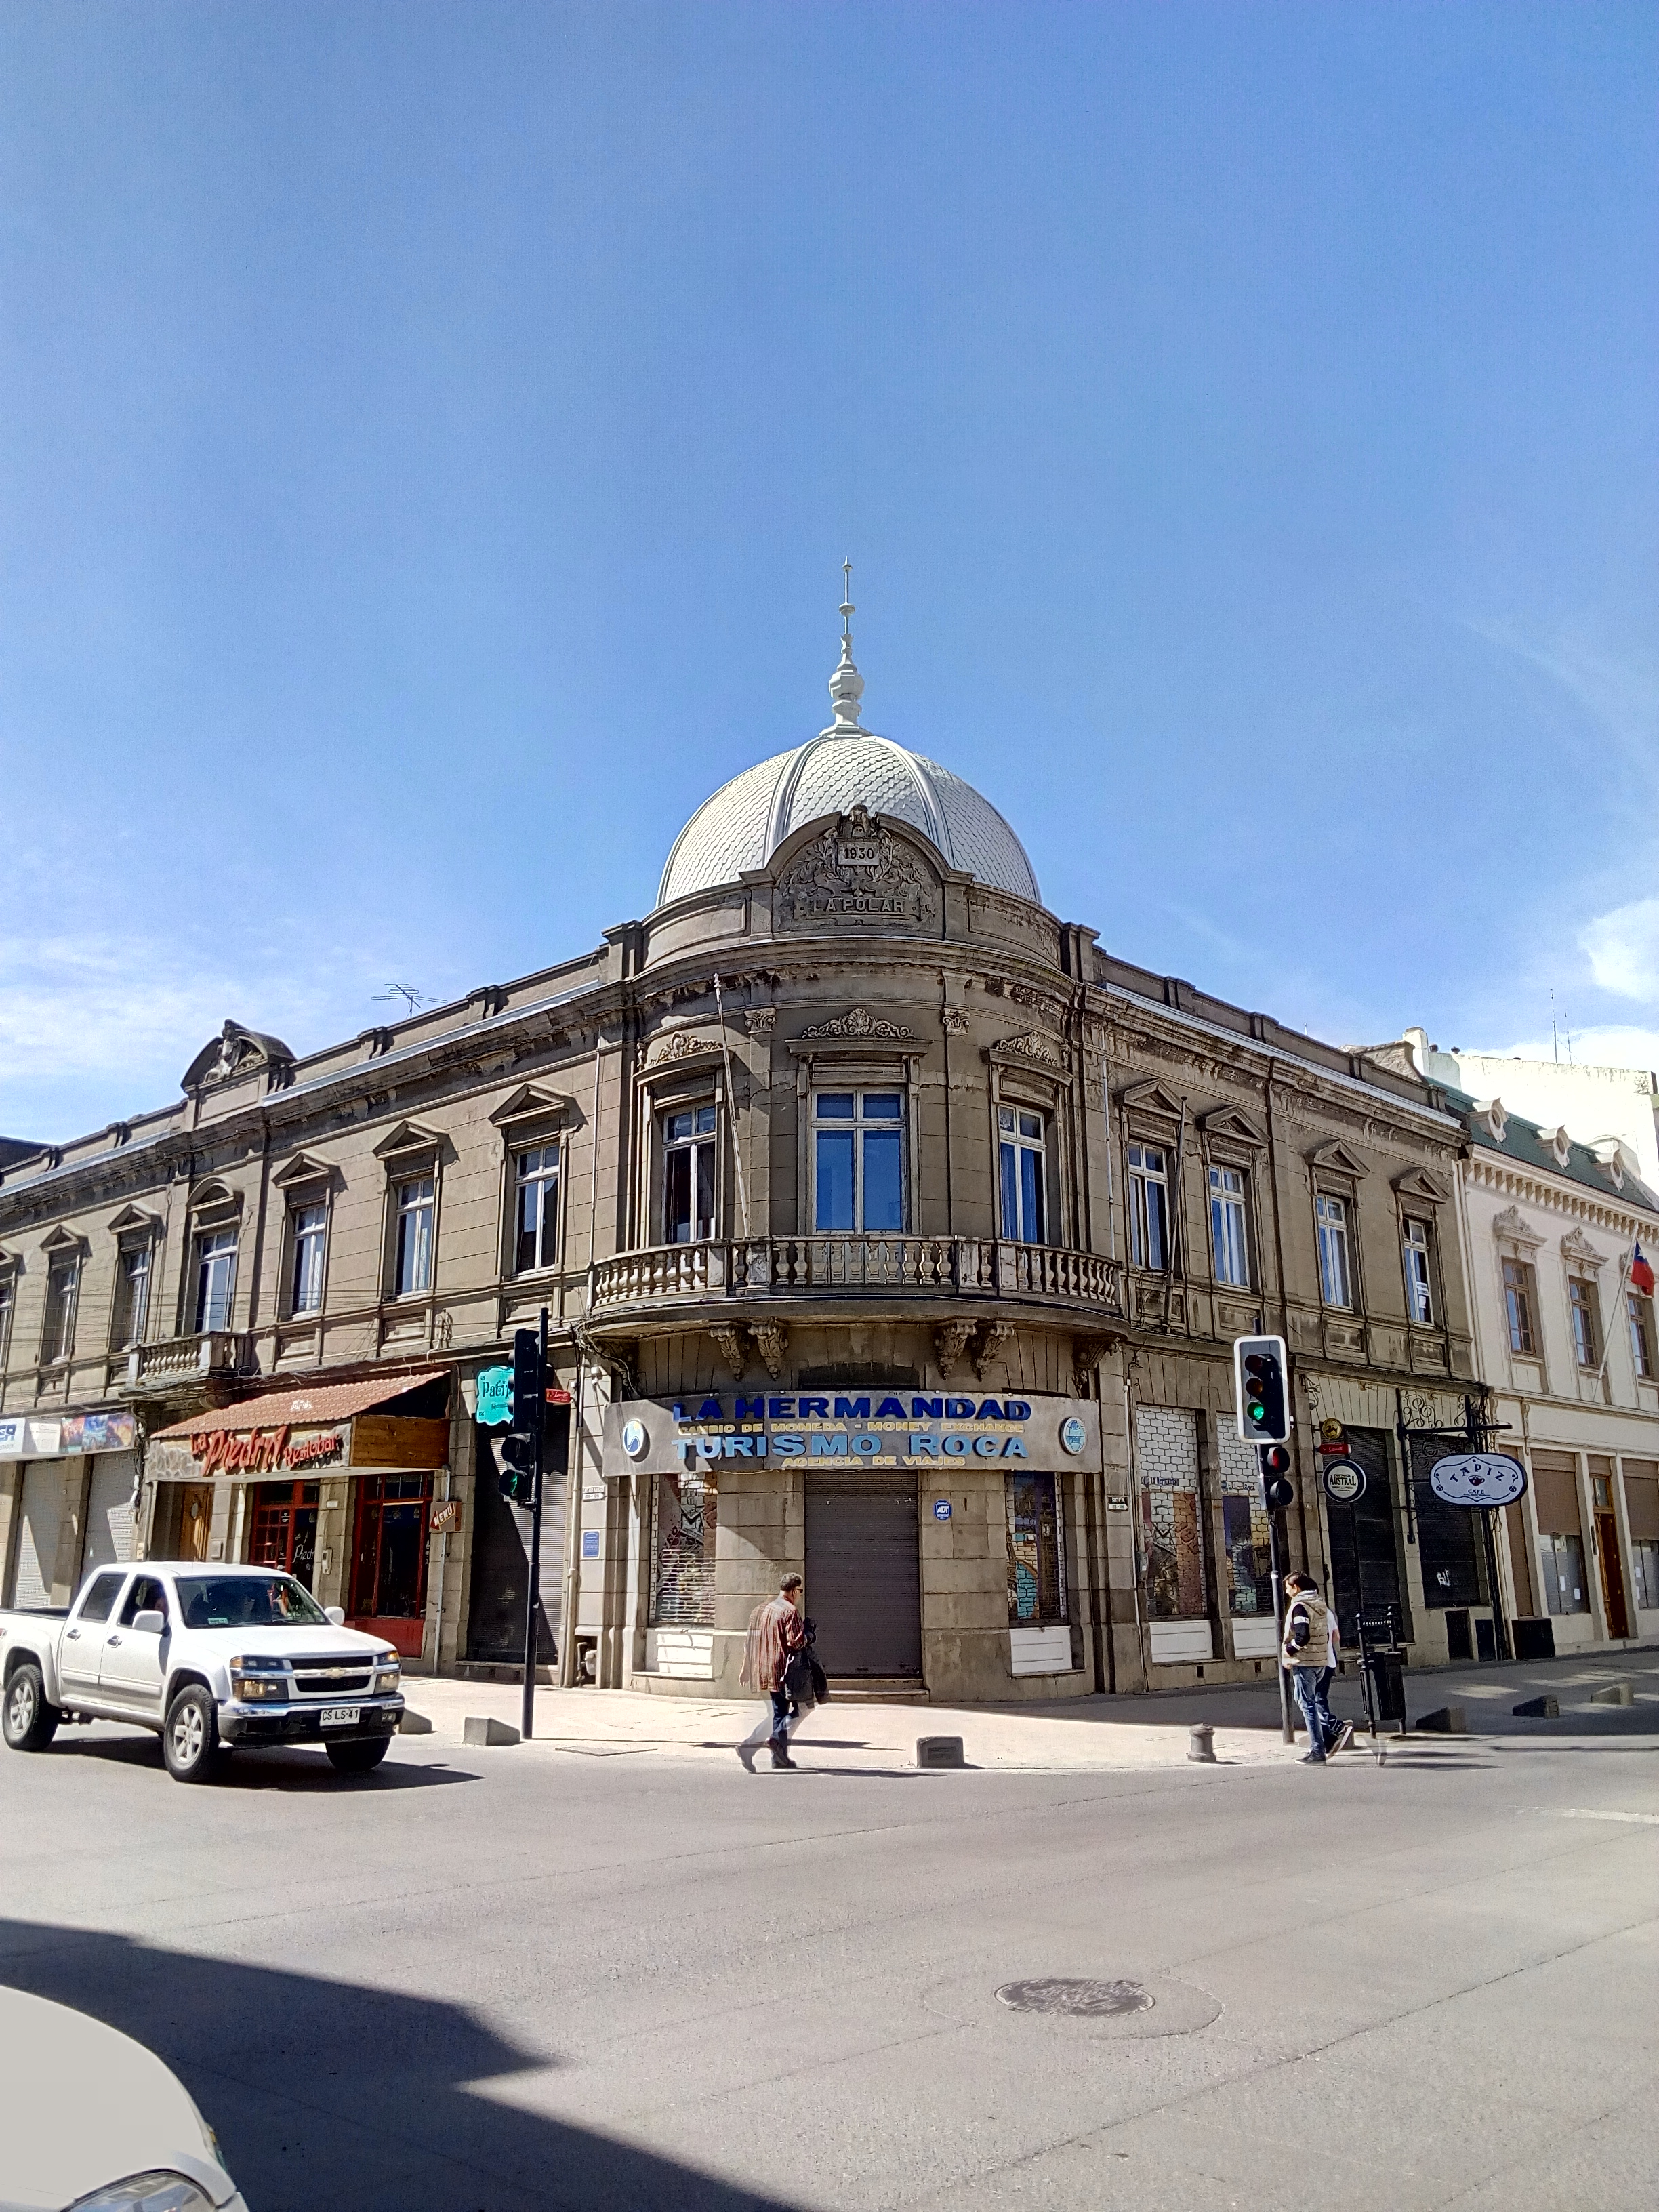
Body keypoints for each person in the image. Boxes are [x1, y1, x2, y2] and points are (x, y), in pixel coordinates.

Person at [738, 1574, 809, 1771]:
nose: (800, 1595)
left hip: (764, 1668)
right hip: (783, 1671)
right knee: (789, 1712)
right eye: (800, 1591)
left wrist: (746, 1668)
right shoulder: (790, 1611)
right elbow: (796, 1642)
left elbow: (751, 1641)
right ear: (794, 1591)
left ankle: (777, 1757)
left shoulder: (764, 1609)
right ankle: (753, 1748)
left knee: (778, 1713)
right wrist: (808, 1636)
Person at [1281, 1572, 1351, 1762]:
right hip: (1321, 1660)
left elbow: (1302, 1635)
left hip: (1305, 1662)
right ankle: (1326, 1738)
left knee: (1307, 1704)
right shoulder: (1320, 1605)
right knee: (1309, 1701)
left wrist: (1289, 1650)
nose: (1287, 1592)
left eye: (1288, 1588)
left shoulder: (1300, 1607)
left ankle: (1317, 1749)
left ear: (1296, 1588)